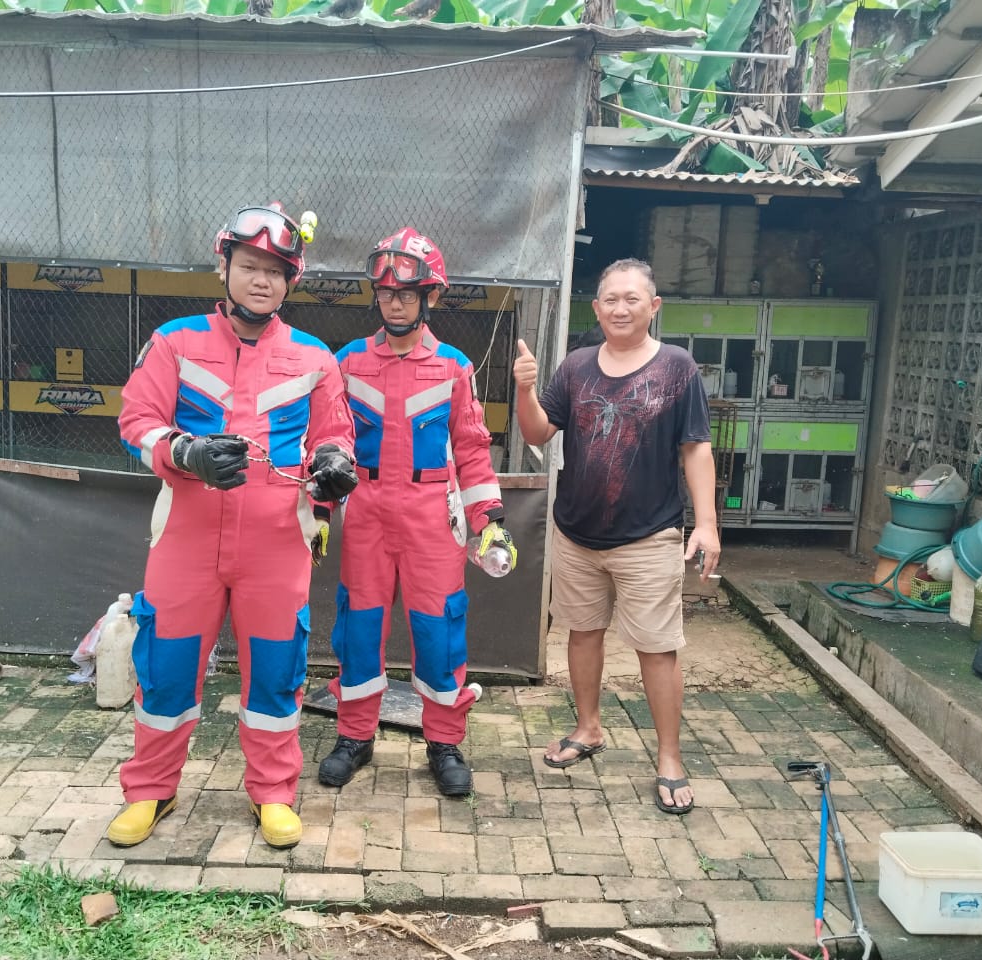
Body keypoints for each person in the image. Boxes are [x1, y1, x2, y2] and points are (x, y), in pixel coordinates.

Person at [109, 202, 358, 849]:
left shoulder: (314, 358)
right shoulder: (175, 341)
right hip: (186, 537)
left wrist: (332, 469)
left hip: (277, 543)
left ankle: (273, 794)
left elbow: (335, 438)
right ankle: (150, 792)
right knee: (165, 668)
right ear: (224, 265)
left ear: (290, 281)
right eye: (249, 266)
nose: (260, 281)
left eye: (275, 272)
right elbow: (136, 422)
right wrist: (185, 452)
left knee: (277, 671)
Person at [512, 257, 719, 815]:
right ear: (596, 308)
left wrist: (706, 523)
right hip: (577, 532)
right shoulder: (577, 367)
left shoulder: (677, 368)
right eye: (610, 299)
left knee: (657, 648)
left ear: (653, 307)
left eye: (632, 298)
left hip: (648, 535)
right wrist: (526, 391)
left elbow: (696, 447)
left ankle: (669, 757)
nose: (620, 307)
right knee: (582, 633)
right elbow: (538, 432)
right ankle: (588, 728)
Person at [318, 227, 516, 797]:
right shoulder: (348, 363)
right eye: (384, 294)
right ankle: (355, 736)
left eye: (406, 293)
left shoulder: (454, 368)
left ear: (429, 296)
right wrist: (320, 515)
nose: (394, 302)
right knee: (359, 631)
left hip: (433, 516)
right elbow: (329, 444)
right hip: (368, 513)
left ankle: (444, 743)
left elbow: (474, 453)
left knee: (439, 635)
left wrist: (490, 522)